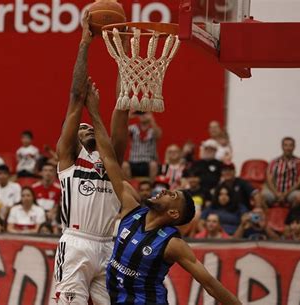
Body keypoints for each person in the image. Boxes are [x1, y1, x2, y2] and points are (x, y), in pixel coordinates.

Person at [85, 80, 241, 305]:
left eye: (173, 196)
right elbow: (109, 158)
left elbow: (210, 284)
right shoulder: (131, 207)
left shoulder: (172, 244)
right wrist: (94, 113)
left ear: (174, 214)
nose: (166, 191)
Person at [53, 12, 127, 305]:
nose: (84, 130)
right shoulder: (70, 158)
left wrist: (123, 55)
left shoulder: (113, 158)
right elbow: (75, 96)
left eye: (88, 127)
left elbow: (122, 107)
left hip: (108, 246)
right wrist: (85, 41)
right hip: (76, 244)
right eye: (79, 128)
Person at [262, 137, 300, 206]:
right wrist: (276, 193)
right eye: (285, 145)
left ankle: (293, 215)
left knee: (299, 196)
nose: (288, 148)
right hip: (275, 192)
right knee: (261, 196)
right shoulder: (274, 162)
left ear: (294, 147)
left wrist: (286, 194)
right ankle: (266, 216)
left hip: (291, 192)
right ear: (282, 146)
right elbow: (269, 179)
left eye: (290, 145)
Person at [122, 112, 162, 182]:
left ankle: (150, 187)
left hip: (148, 162)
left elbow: (158, 135)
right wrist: (127, 117)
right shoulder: (133, 128)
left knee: (154, 165)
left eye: (145, 113)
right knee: (124, 165)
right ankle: (129, 187)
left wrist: (152, 120)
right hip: (133, 161)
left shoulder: (152, 130)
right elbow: (122, 132)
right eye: (141, 114)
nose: (143, 116)